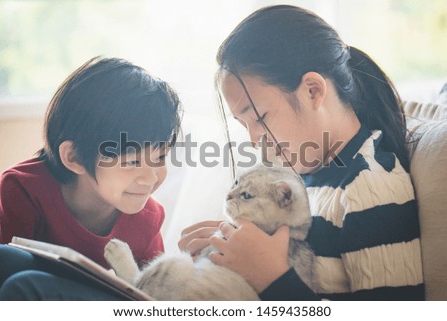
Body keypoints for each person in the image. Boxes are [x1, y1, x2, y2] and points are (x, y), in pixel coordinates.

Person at [179, 5, 424, 300]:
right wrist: (230, 252)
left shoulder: (369, 187)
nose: (255, 140)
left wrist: (270, 277)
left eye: (260, 117)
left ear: (312, 91)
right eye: (244, 125)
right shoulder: (303, 180)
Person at [0, 56, 182, 300]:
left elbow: (154, 299)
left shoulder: (147, 218)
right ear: (74, 157)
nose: (150, 177)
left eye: (160, 157)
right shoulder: (23, 188)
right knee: (5, 260)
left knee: (25, 285)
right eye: (132, 162)